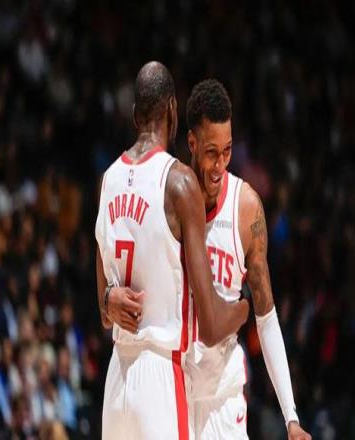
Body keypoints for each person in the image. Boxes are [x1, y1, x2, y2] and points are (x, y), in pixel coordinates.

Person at [95, 62, 249, 440]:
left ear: (135, 115)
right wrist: (246, 305)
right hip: (160, 378)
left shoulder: (108, 180)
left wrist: (109, 299)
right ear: (172, 110)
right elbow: (210, 326)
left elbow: (104, 309)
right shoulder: (179, 182)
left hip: (117, 381)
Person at [183, 79, 310, 439]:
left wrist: (291, 417)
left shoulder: (246, 208)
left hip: (223, 398)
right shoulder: (171, 198)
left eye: (227, 151)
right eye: (211, 152)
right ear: (192, 144)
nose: (220, 164)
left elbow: (266, 317)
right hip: (175, 390)